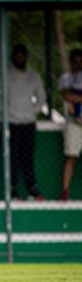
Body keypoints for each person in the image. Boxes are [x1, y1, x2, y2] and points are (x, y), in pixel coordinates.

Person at [0, 44, 46, 199]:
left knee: (28, 157)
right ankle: (12, 189)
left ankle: (32, 189)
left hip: (28, 122)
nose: (20, 58)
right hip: (10, 123)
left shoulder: (34, 76)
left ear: (27, 57)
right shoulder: (4, 74)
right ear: (13, 57)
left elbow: (41, 97)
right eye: (17, 56)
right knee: (11, 157)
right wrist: (7, 112)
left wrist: (32, 111)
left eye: (23, 55)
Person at [58, 48, 82, 201]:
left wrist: (77, 97)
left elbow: (74, 96)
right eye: (75, 62)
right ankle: (65, 191)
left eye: (81, 61)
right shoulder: (66, 78)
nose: (78, 65)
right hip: (74, 122)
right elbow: (66, 95)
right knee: (71, 156)